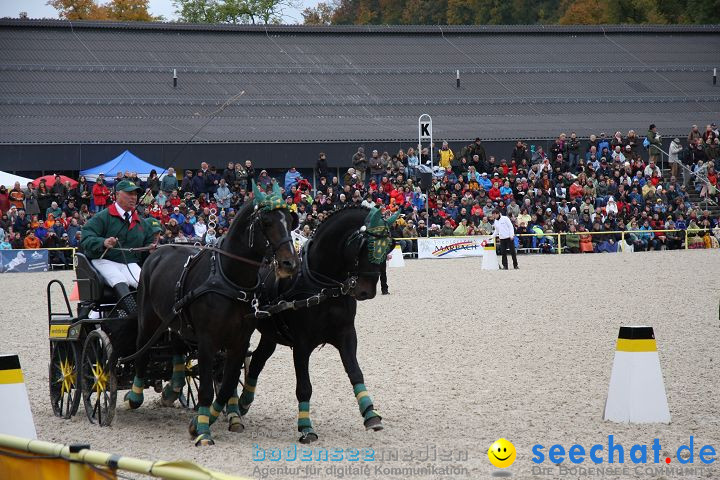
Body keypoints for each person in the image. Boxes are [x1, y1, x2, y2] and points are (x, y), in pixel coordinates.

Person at [80, 180, 156, 311]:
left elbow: (149, 240)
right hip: (104, 260)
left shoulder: (141, 222)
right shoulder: (103, 217)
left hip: (129, 262)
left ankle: (150, 313)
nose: (133, 197)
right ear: (117, 195)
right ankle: (132, 313)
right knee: (118, 279)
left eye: (135, 194)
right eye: (129, 193)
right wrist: (103, 242)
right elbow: (86, 237)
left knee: (145, 282)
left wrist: (150, 248)